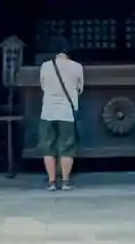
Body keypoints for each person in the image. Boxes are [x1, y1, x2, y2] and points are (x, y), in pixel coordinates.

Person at [38, 39, 84, 191]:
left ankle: (51, 182)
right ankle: (65, 181)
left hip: (48, 111)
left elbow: (43, 86)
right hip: (67, 112)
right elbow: (80, 88)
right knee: (67, 147)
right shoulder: (77, 67)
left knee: (48, 147)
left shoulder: (45, 66)